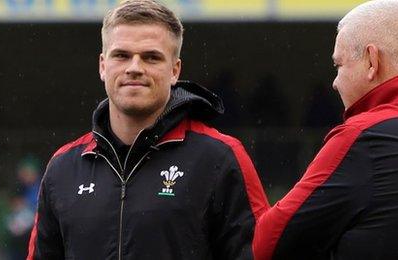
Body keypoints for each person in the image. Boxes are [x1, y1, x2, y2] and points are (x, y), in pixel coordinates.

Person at [27, 0, 269, 259]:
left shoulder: (220, 158)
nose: (134, 68)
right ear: (102, 65)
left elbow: (259, 253)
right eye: (121, 55)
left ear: (175, 70)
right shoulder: (63, 168)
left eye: (151, 57)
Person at [253, 0, 398, 259]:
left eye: (339, 65)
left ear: (371, 60)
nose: (334, 82)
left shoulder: (364, 138)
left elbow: (268, 243)